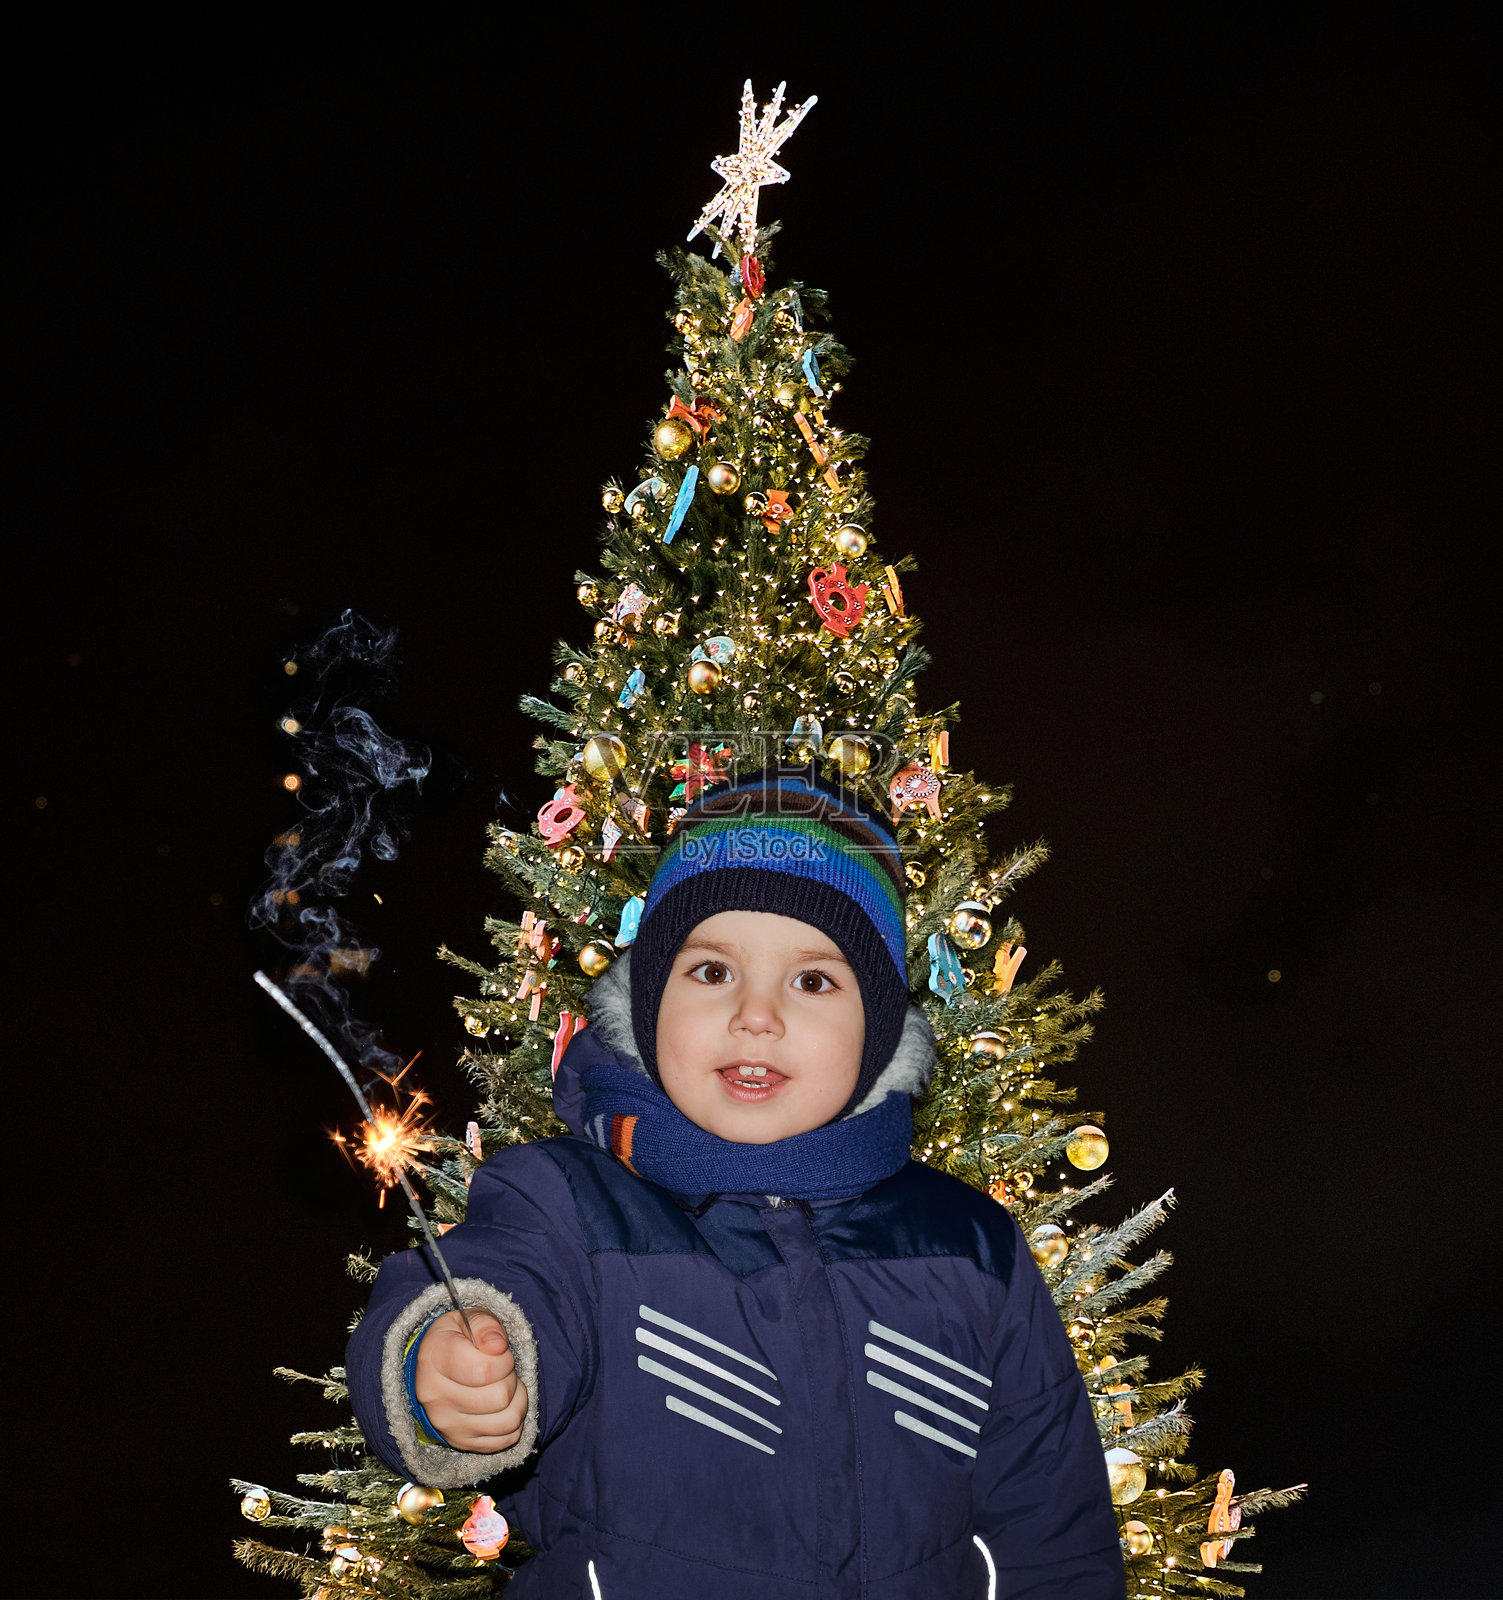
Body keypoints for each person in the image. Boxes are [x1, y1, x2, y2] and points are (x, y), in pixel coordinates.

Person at [347, 766, 1125, 1598]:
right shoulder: (566, 1203)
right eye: (712, 972)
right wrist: (449, 1365)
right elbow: (497, 1285)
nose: (757, 1014)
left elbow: (1049, 1530)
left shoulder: (971, 1248)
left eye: (814, 980)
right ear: (649, 1006)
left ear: (876, 1033)